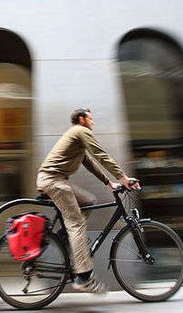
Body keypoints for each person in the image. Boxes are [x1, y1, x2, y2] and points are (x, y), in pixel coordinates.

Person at [36, 107, 141, 293]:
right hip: (53, 180)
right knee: (76, 224)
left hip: (56, 180)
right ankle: (83, 278)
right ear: (82, 119)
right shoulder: (80, 131)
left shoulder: (76, 138)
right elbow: (101, 154)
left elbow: (90, 162)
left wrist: (109, 182)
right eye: (90, 119)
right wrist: (123, 177)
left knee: (88, 200)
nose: (93, 122)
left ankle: (67, 236)